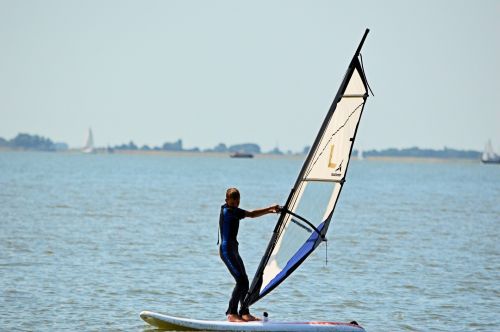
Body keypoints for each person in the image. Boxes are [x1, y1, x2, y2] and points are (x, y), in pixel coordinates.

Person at [218, 188, 280, 322]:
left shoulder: (233, 210)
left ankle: (244, 312)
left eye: (237, 202)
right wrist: (270, 209)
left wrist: (270, 210)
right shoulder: (228, 211)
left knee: (244, 281)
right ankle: (232, 313)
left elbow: (250, 214)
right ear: (226, 201)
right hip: (226, 251)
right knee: (241, 282)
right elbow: (251, 214)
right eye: (233, 202)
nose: (235, 204)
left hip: (233, 250)